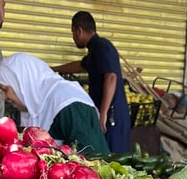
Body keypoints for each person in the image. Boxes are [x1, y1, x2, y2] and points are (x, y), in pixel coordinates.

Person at [0, 53, 109, 156]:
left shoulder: (68, 103)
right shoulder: (33, 104)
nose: (4, 97)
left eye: (5, 89)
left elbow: (92, 158)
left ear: (21, 84)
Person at [52, 11, 131, 153]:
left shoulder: (100, 47)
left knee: (113, 156)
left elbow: (111, 77)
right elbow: (80, 65)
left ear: (79, 30)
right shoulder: (96, 49)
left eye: (73, 33)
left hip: (112, 115)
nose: (73, 37)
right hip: (111, 114)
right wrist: (53, 69)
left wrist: (103, 112)